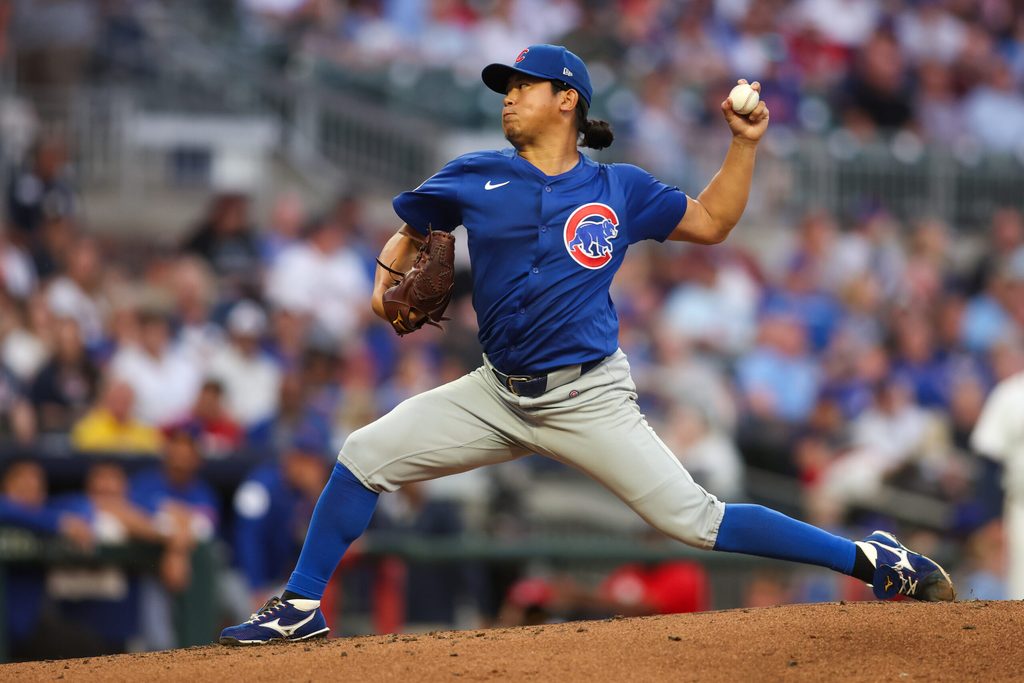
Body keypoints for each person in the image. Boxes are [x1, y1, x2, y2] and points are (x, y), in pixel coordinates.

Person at [220, 44, 955, 645]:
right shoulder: (475, 173)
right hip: (495, 391)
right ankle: (300, 605)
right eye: (505, 89)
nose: (507, 97)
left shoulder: (618, 188)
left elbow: (710, 223)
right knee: (363, 455)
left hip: (588, 394)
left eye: (523, 87)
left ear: (566, 99)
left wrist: (742, 146)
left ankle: (871, 557)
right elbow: (413, 223)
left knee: (694, 520)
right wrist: (386, 282)